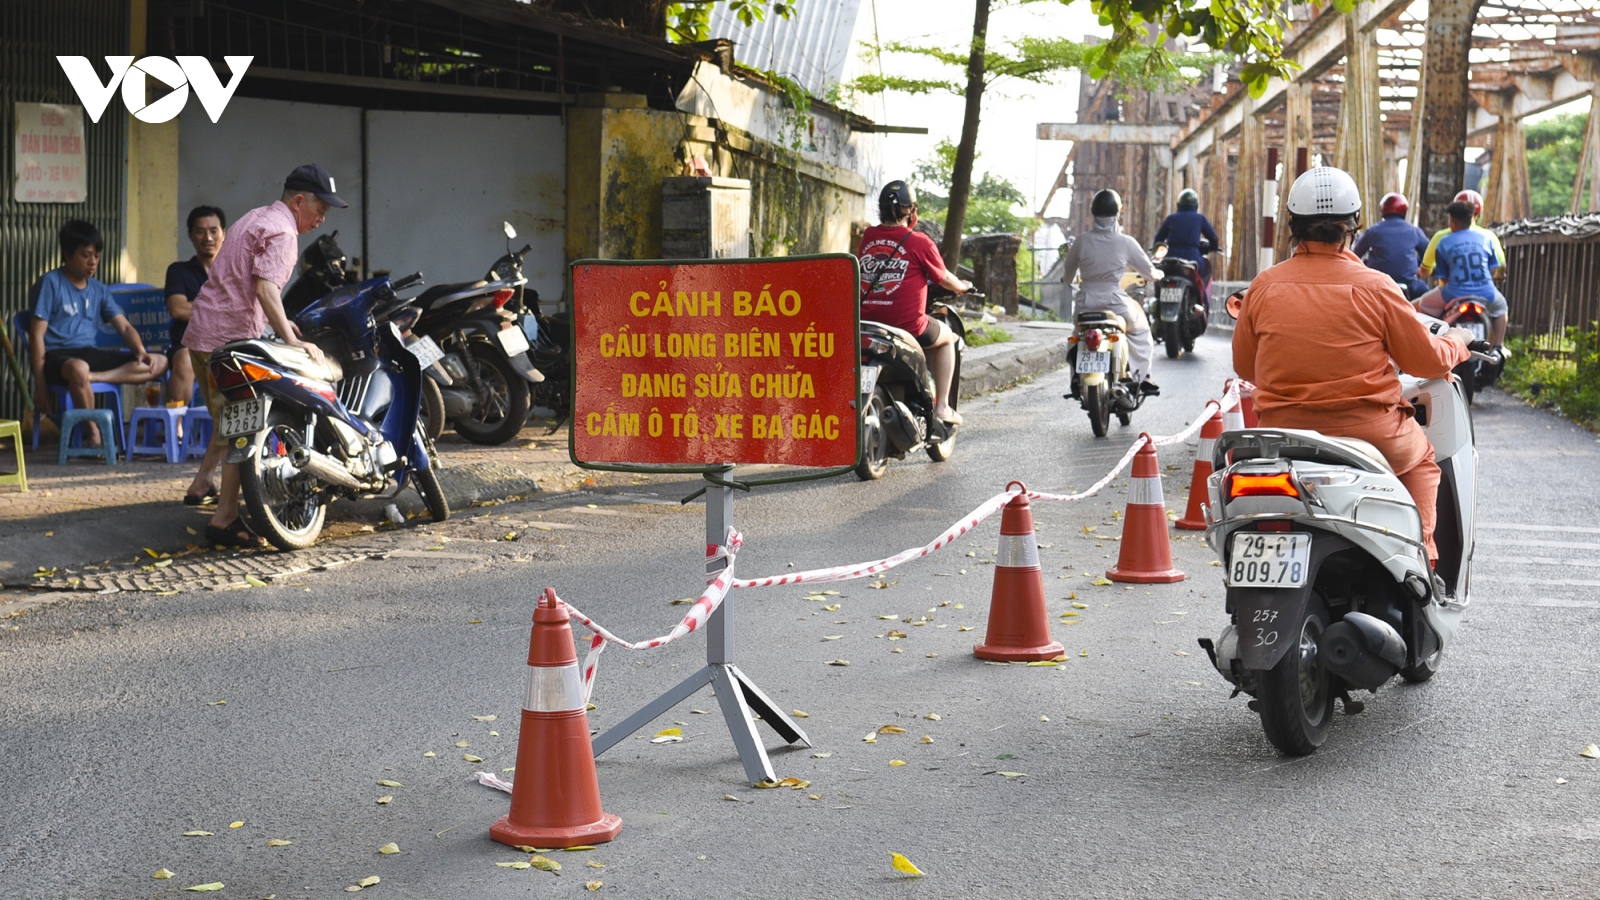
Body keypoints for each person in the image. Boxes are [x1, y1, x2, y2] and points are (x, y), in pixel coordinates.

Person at [1232, 166, 1472, 565]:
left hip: (1282, 433)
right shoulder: (1377, 286)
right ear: (1353, 226)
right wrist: (1457, 343)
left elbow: (1247, 367)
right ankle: (1420, 564)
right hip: (1372, 435)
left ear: (1292, 224)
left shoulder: (1263, 286)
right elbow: (1424, 359)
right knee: (1422, 463)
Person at [184, 164, 343, 547]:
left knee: (233, 425)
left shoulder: (257, 217)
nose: (322, 220)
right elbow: (266, 290)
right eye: (320, 210)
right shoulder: (285, 232)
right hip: (227, 341)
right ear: (299, 201)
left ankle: (203, 486)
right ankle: (224, 518)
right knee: (245, 428)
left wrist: (281, 325)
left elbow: (246, 283)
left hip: (207, 334)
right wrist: (291, 340)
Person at [27, 219, 169, 449]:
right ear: (68, 254)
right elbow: (35, 336)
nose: (93, 262)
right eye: (86, 255)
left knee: (160, 361)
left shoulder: (99, 289)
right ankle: (94, 436)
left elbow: (124, 327)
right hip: (58, 356)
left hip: (89, 354)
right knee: (79, 368)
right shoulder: (50, 283)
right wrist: (40, 384)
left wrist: (141, 352)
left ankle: (95, 378)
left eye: (97, 255)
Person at [857, 180, 972, 424]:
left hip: (866, 324)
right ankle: (942, 407)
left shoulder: (869, 236)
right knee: (947, 337)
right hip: (907, 327)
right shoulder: (920, 242)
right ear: (912, 211)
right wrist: (962, 286)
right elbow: (944, 278)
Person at [1059, 188, 1159, 395]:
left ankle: (1076, 378)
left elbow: (1068, 274)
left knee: (1077, 336)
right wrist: (1157, 274)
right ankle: (1143, 376)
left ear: (1093, 213)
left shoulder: (1081, 241)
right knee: (1140, 330)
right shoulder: (1126, 242)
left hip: (1085, 303)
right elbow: (1148, 272)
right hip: (1116, 303)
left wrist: (1069, 280)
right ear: (1118, 213)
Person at [165, 205, 226, 504]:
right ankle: (177, 430)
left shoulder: (232, 270)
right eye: (200, 231)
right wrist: (221, 311)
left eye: (214, 230)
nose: (208, 237)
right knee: (185, 358)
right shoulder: (179, 270)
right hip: (189, 344)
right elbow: (177, 310)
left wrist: (199, 309)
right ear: (191, 235)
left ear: (224, 234)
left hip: (225, 348)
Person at [1415, 196, 1509, 349]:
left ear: (1452, 223)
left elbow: (1443, 278)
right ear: (1472, 219)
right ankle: (1498, 347)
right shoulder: (1486, 238)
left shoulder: (1444, 242)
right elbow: (1493, 268)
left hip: (1454, 293)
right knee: (1501, 308)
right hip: (1486, 292)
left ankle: (1429, 345)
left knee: (1425, 303)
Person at [1352, 192, 1430, 298]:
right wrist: (1418, 266)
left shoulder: (1373, 231)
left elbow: (1355, 255)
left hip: (1377, 285)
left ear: (1383, 209)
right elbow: (1428, 253)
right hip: (1409, 285)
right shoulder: (1414, 231)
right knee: (1427, 298)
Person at [1151, 188, 1220, 286]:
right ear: (1196, 205)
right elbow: (1214, 238)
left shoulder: (1171, 218)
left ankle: (1158, 296)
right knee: (1200, 279)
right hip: (1192, 258)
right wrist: (1210, 247)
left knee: (1161, 277)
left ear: (1178, 204)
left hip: (1170, 257)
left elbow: (1158, 239)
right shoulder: (1200, 219)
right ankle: (1202, 299)